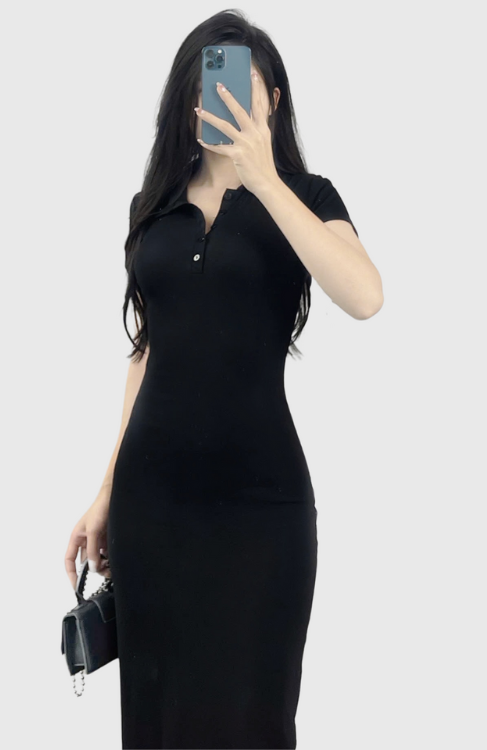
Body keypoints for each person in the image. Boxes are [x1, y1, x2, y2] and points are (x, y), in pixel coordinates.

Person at [65, 10, 383, 749]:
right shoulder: (153, 209)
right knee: (159, 724)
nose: (227, 99)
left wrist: (264, 179)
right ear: (189, 101)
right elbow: (148, 350)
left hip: (259, 510)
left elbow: (366, 296)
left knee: (253, 723)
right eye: (209, 86)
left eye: (246, 85)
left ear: (272, 99)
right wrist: (106, 489)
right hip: (152, 507)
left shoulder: (308, 196)